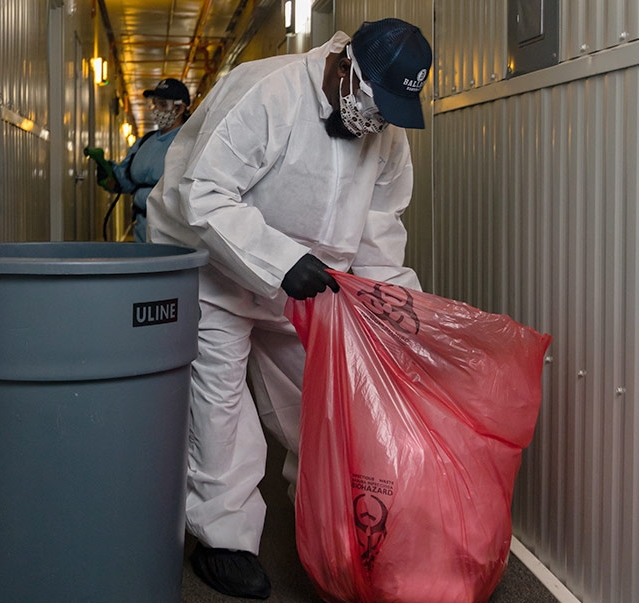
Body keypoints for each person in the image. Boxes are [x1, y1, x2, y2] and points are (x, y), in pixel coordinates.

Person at [147, 18, 432, 599]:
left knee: (320, 403)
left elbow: (381, 227)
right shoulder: (266, 91)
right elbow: (204, 194)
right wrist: (279, 260)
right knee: (219, 403)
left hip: (309, 285)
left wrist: (395, 306)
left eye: (389, 116)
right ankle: (224, 541)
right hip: (214, 268)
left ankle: (332, 524)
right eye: (374, 108)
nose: (375, 125)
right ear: (342, 66)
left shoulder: (385, 132)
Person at [101, 78, 190, 242]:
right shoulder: (144, 142)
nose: (156, 109)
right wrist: (109, 173)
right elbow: (126, 180)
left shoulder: (189, 143)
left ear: (179, 108)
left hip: (174, 230)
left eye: (163, 104)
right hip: (142, 227)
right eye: (155, 103)